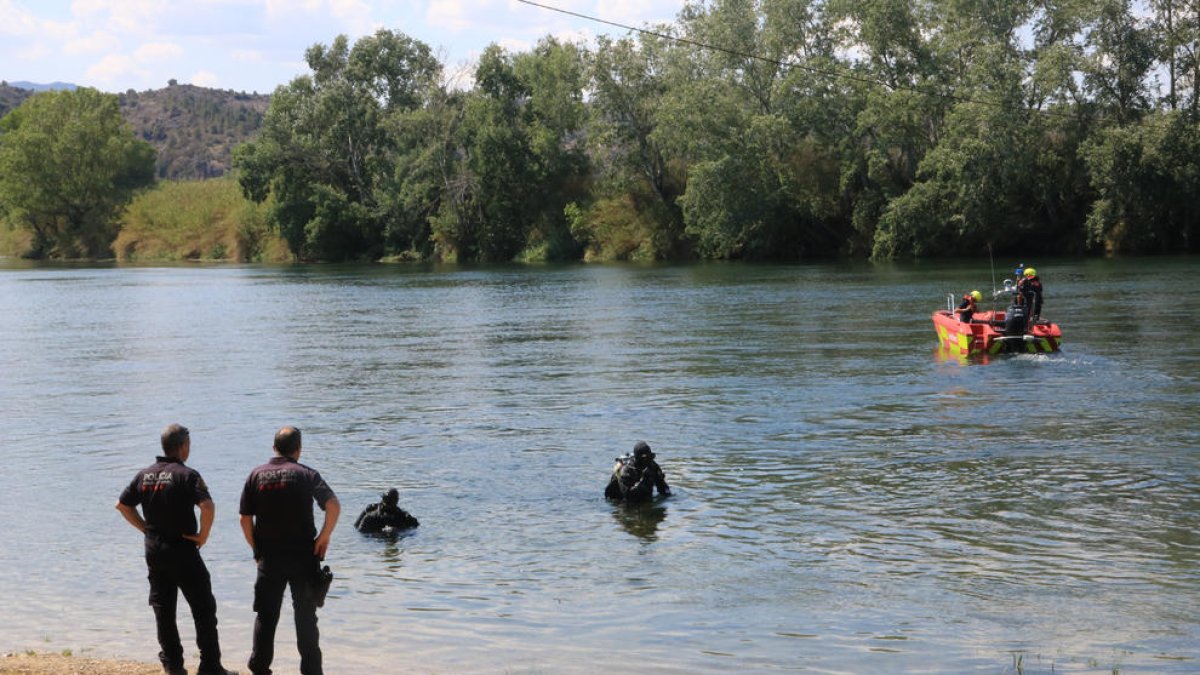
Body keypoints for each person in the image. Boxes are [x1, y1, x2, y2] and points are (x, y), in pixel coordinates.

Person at [115, 424, 236, 675]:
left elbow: (122, 505)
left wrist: (146, 529)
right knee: (203, 608)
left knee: (164, 610)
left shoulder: (144, 475)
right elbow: (208, 507)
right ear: (183, 447)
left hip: (155, 552)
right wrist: (203, 535)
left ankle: (174, 667)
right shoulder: (187, 474)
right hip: (183, 550)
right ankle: (210, 666)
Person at [239, 426, 341, 675]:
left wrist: (256, 549)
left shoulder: (256, 475)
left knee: (266, 615)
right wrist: (323, 537)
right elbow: (333, 505)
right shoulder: (307, 474)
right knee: (305, 617)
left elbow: (244, 519)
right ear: (298, 449)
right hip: (303, 557)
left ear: (274, 447)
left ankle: (260, 669)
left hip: (270, 558)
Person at [604, 441, 671, 503]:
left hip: (644, 499)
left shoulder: (652, 465)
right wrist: (644, 480)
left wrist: (667, 496)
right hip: (622, 501)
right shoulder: (626, 470)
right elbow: (628, 495)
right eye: (644, 459)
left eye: (650, 457)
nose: (648, 461)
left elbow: (663, 488)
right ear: (638, 459)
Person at [354, 488, 419, 533]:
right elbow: (361, 532)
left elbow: (415, 526)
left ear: (397, 500)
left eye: (393, 500)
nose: (389, 502)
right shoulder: (371, 515)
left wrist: (398, 530)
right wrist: (382, 532)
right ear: (383, 499)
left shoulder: (402, 515)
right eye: (387, 499)